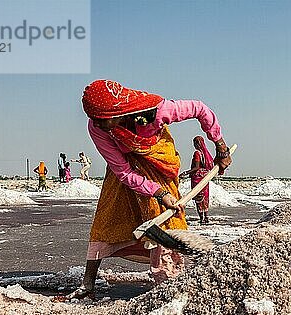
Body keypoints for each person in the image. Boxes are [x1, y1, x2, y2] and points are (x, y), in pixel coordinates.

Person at [56, 79, 232, 301]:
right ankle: (88, 284)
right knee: (106, 219)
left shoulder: (156, 111)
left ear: (118, 110)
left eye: (103, 120)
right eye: (94, 120)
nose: (97, 125)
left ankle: (170, 284)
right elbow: (123, 171)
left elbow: (200, 109)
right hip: (126, 171)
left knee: (167, 224)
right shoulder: (97, 127)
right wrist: (159, 193)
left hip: (158, 164)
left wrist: (221, 147)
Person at [180, 136, 214, 224]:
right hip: (205, 177)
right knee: (205, 197)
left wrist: (186, 172)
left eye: (194, 143)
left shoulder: (197, 153)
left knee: (198, 198)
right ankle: (206, 217)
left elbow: (196, 167)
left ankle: (201, 218)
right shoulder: (206, 154)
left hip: (198, 178)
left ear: (196, 144)